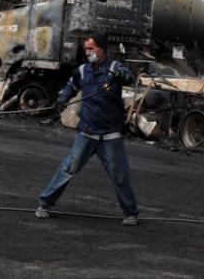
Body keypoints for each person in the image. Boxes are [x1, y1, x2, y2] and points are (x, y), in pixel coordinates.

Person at [35, 32, 140, 226]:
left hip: (110, 133)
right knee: (68, 168)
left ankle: (131, 212)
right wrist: (61, 100)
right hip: (87, 131)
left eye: (91, 48)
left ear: (102, 49)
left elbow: (129, 77)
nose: (87, 52)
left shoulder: (115, 68)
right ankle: (44, 203)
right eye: (86, 49)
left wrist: (122, 75)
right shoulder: (83, 71)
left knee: (119, 174)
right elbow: (71, 86)